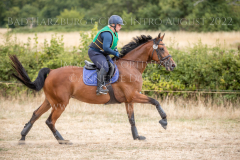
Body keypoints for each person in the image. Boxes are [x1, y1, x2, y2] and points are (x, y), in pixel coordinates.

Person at [88, 15, 124, 95]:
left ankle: (106, 84)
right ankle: (99, 88)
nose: (120, 27)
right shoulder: (107, 34)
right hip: (95, 52)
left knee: (112, 65)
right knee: (105, 67)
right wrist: (115, 53)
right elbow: (106, 48)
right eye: (119, 25)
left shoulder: (115, 33)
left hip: (102, 53)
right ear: (113, 25)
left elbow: (114, 45)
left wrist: (116, 51)